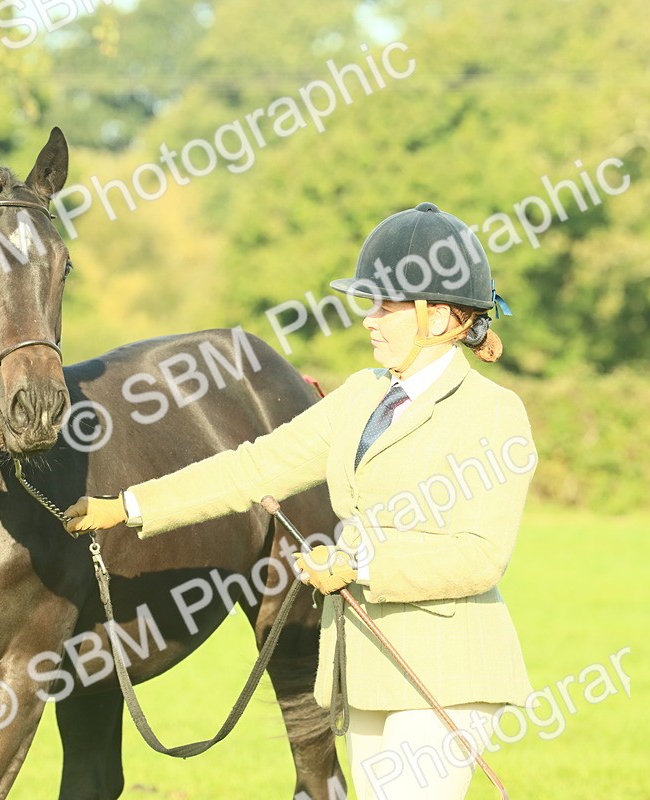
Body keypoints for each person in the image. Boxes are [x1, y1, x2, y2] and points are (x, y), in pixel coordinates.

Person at [64, 201, 537, 800]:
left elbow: (481, 556)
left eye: (385, 306)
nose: (369, 320)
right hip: (364, 665)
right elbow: (253, 466)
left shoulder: (493, 414)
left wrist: (358, 564)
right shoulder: (362, 396)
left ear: (438, 317)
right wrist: (128, 507)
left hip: (446, 670)